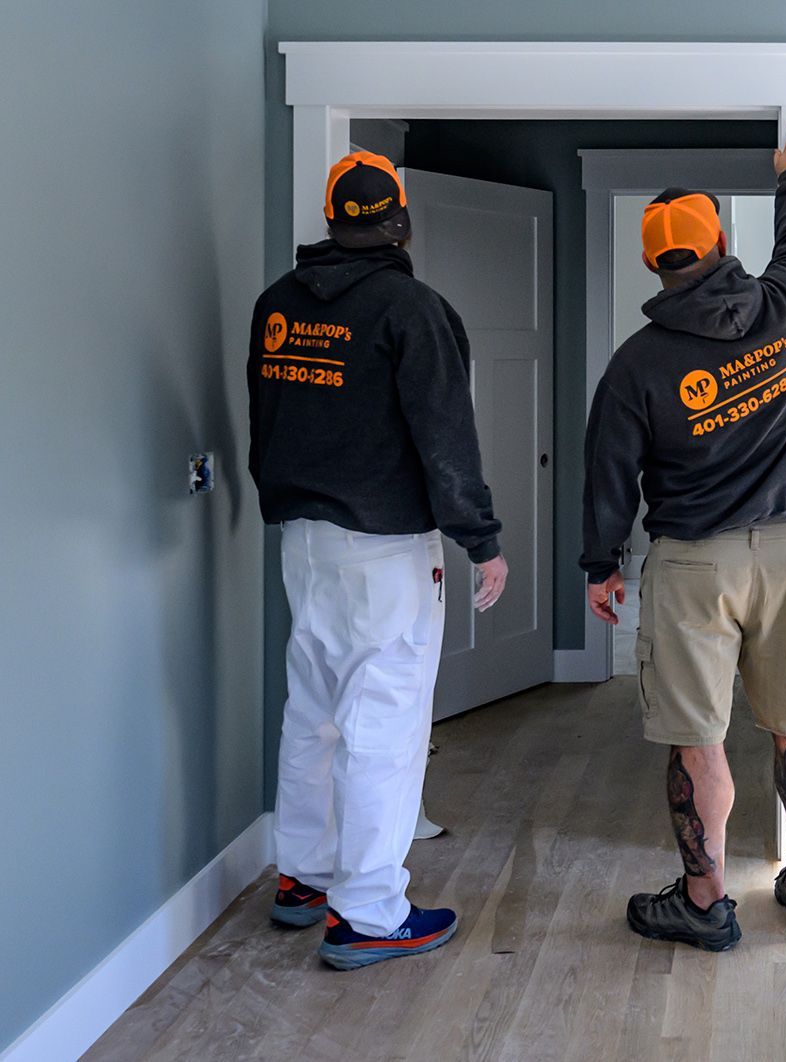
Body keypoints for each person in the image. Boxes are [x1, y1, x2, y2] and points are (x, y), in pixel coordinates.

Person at [248, 151, 508, 970]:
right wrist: (481, 539)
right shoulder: (412, 309)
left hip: (304, 540)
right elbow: (445, 437)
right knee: (384, 727)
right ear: (400, 221)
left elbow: (266, 417)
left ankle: (303, 876)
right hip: (387, 549)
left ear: (331, 221)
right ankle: (366, 914)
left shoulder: (275, 307)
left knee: (314, 710)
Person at [581, 125, 786, 950]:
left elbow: (609, 475)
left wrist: (600, 565)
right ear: (721, 243)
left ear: (657, 264)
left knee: (699, 736)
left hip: (693, 565)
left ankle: (704, 901)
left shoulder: (636, 365)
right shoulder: (783, 305)